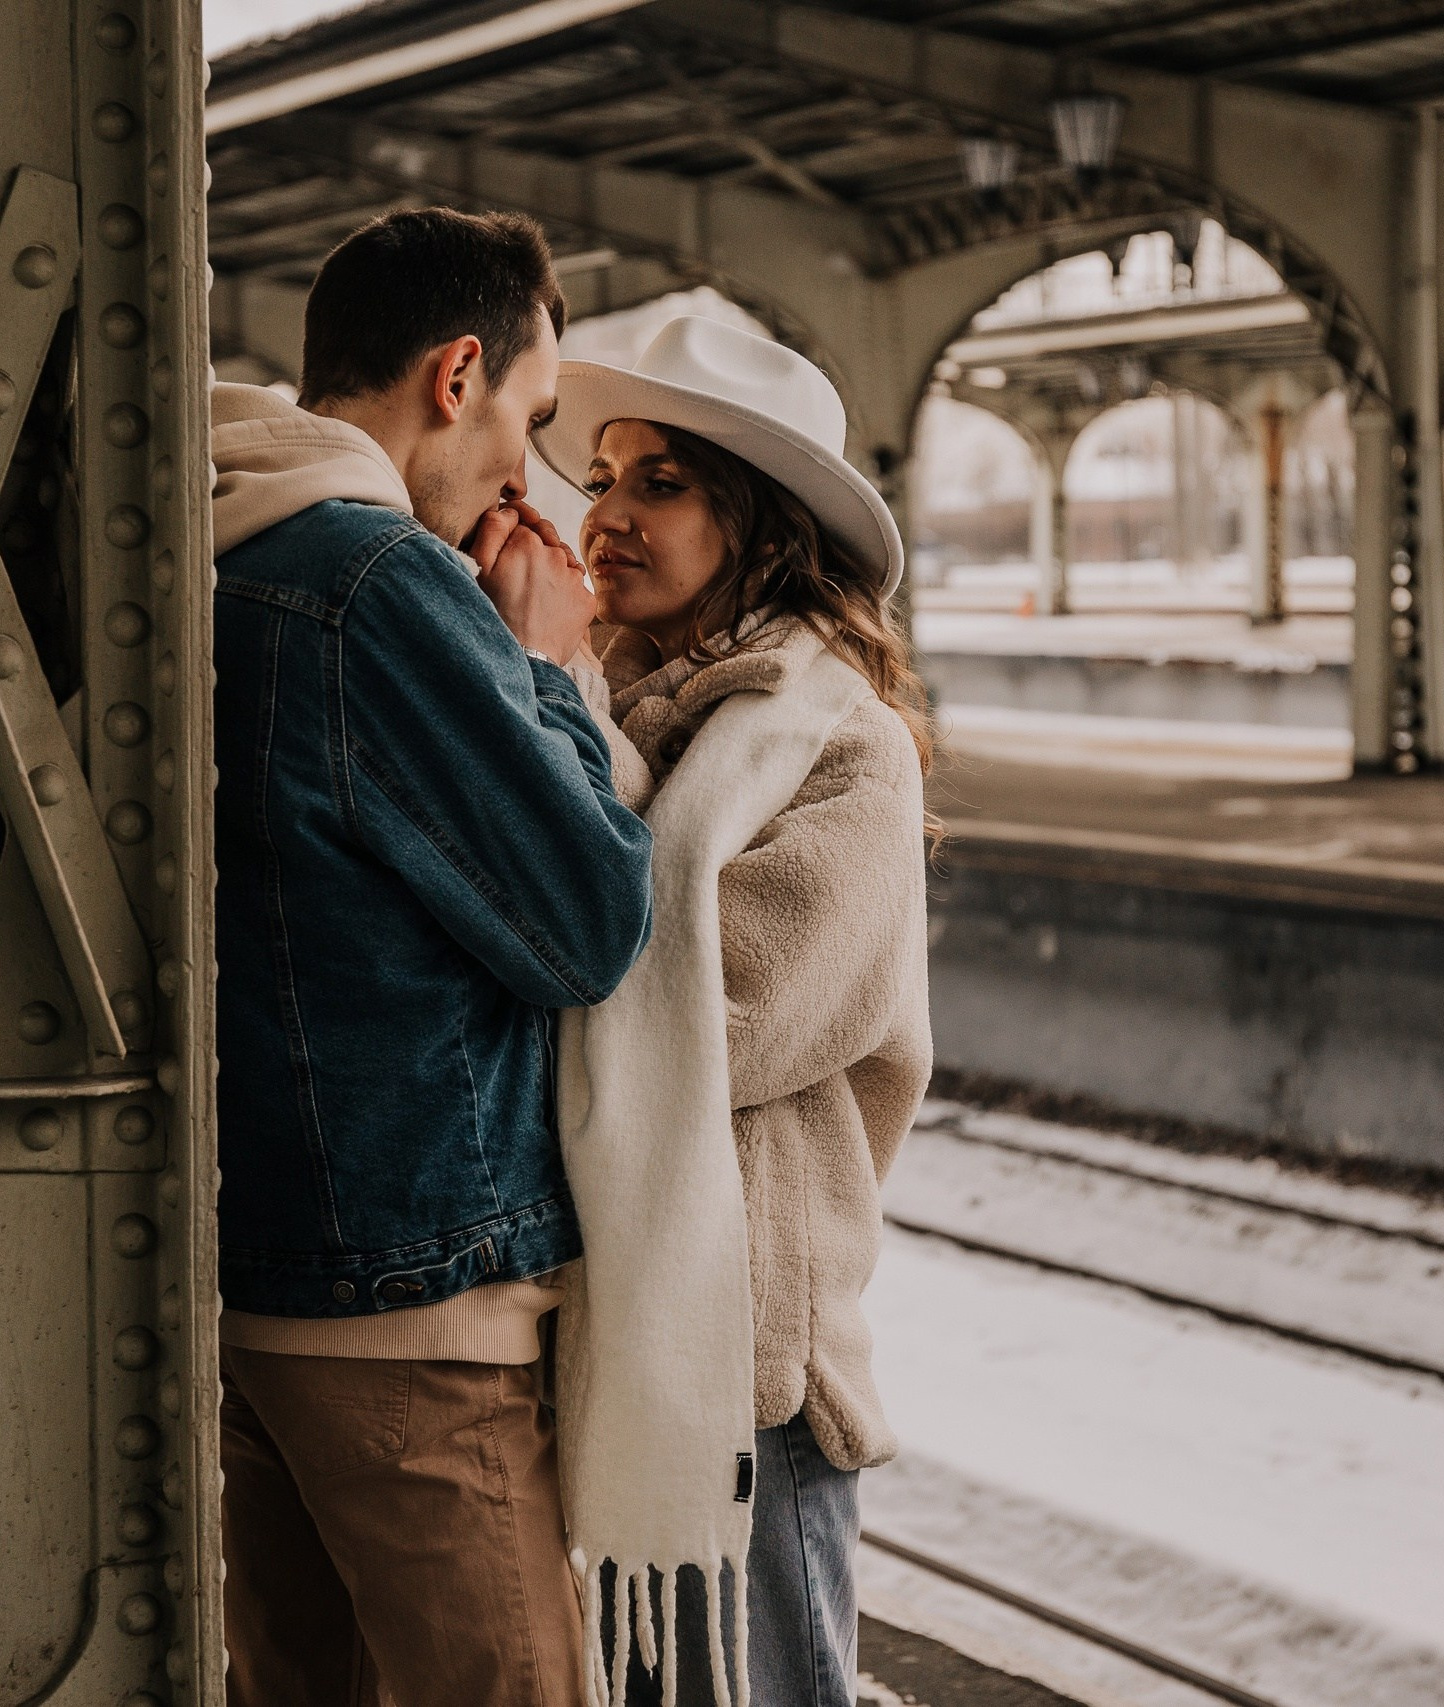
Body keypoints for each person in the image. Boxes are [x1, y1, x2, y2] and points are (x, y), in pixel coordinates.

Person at [205, 207, 653, 1706]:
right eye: (530, 416)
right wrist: (545, 668)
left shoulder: (211, 546)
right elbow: (587, 921)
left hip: (253, 1291)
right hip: (411, 1309)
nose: (526, 474)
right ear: (456, 373)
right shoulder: (373, 582)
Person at [535, 316, 934, 1706]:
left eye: (662, 483)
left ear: (759, 524)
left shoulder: (844, 751)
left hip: (748, 1370)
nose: (607, 516)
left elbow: (724, 1017)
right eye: (599, 476)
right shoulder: (600, 712)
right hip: (600, 1338)